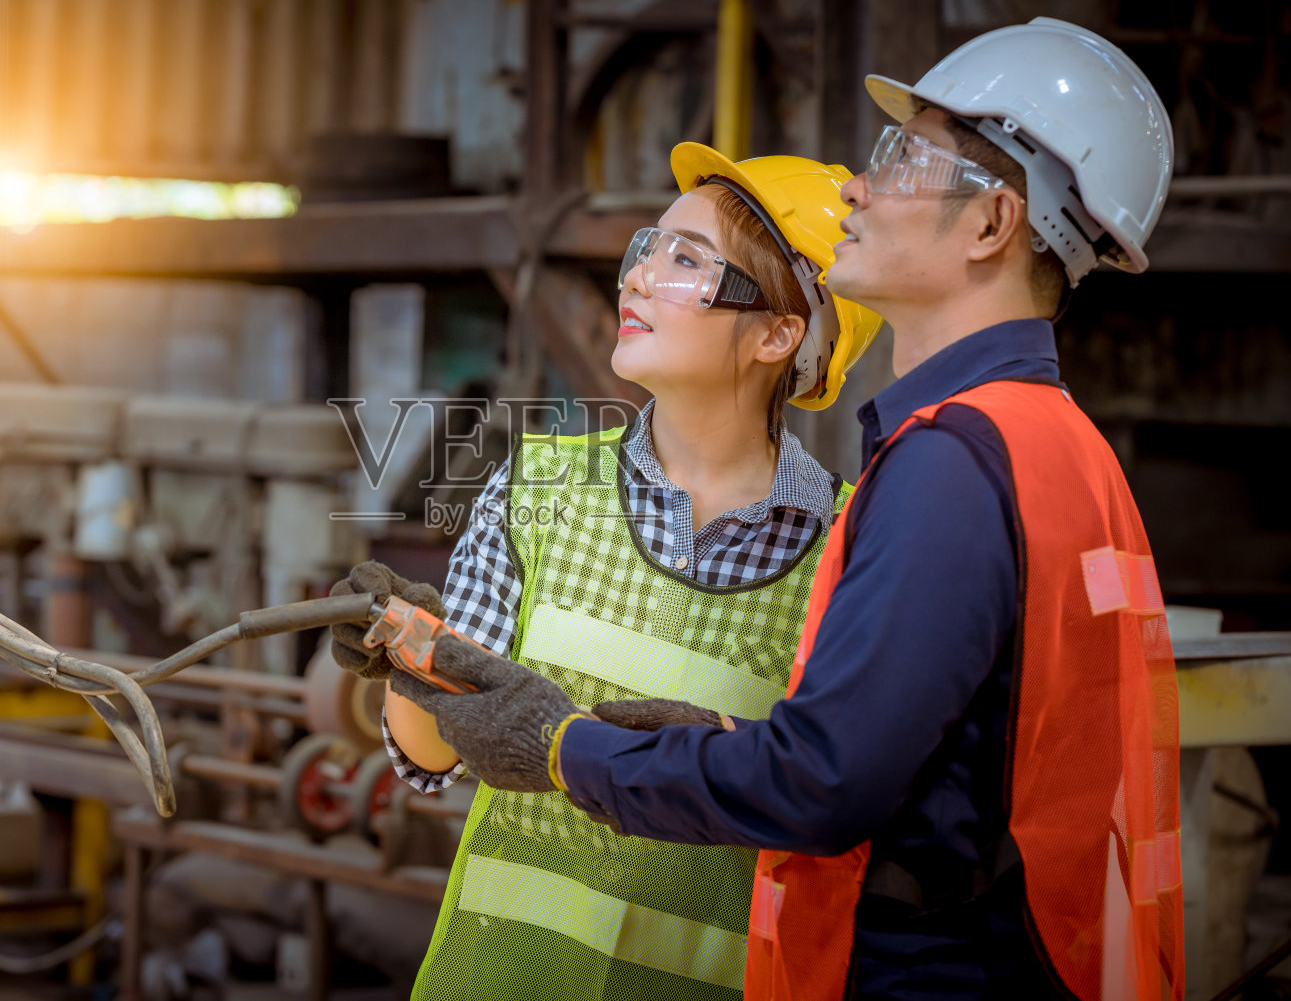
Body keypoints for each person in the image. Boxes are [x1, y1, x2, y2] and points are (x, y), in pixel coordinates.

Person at [390, 18, 1183, 1000]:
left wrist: (566, 744)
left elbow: (825, 780)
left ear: (990, 224)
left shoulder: (950, 462)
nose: (858, 182)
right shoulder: (1060, 448)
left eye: (899, 156)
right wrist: (715, 745)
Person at [329, 146, 882, 1000]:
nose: (638, 279)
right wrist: (407, 657)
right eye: (646, 251)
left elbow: (850, 810)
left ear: (778, 332)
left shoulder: (851, 547)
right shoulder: (537, 485)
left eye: (687, 261)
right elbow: (432, 757)